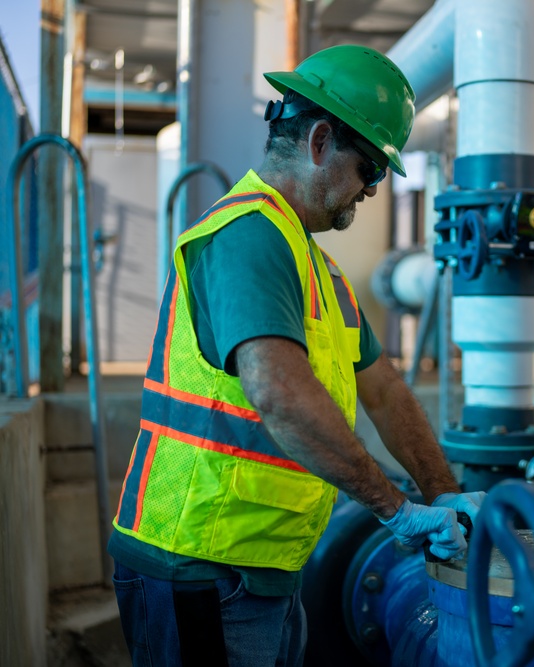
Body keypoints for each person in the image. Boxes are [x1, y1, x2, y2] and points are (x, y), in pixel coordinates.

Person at [108, 45, 482, 665]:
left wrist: (442, 493)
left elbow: (384, 389)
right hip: (200, 561)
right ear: (319, 141)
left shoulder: (317, 267)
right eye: (370, 170)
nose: (370, 191)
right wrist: (395, 511)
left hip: (261, 564)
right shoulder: (247, 236)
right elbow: (279, 395)